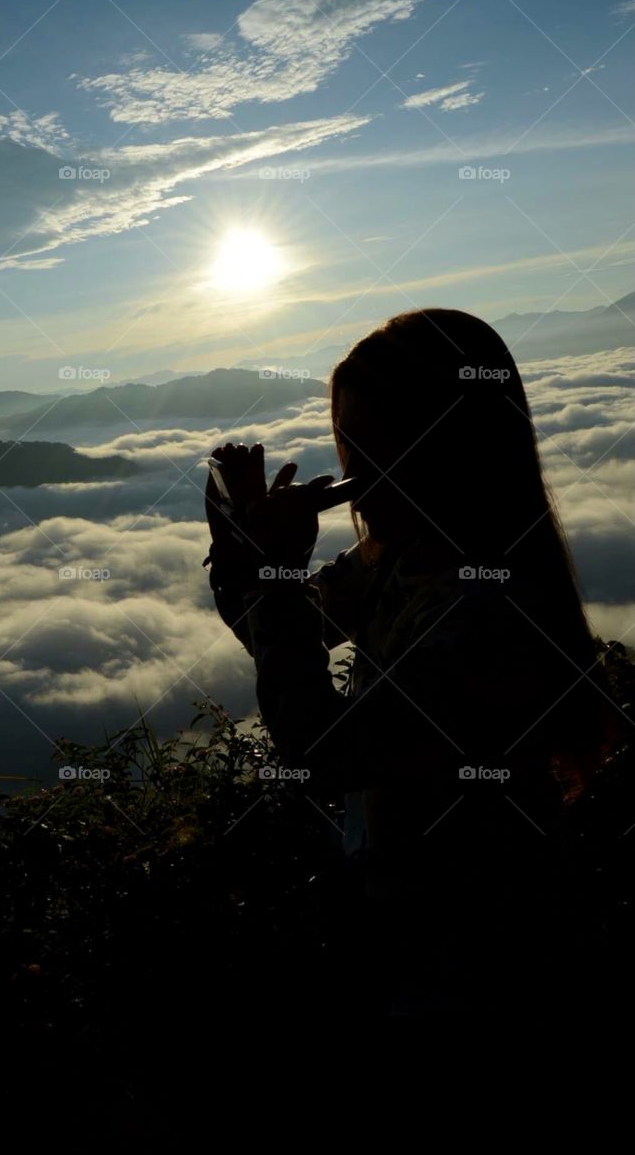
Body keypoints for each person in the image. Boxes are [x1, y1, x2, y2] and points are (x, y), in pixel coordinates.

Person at [203, 308, 622, 1016]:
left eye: (376, 458)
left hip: (478, 936)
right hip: (403, 907)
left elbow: (325, 750)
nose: (354, 488)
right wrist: (245, 551)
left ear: (452, 452)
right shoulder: (397, 559)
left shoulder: (483, 607)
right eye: (348, 459)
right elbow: (274, 632)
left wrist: (268, 567)